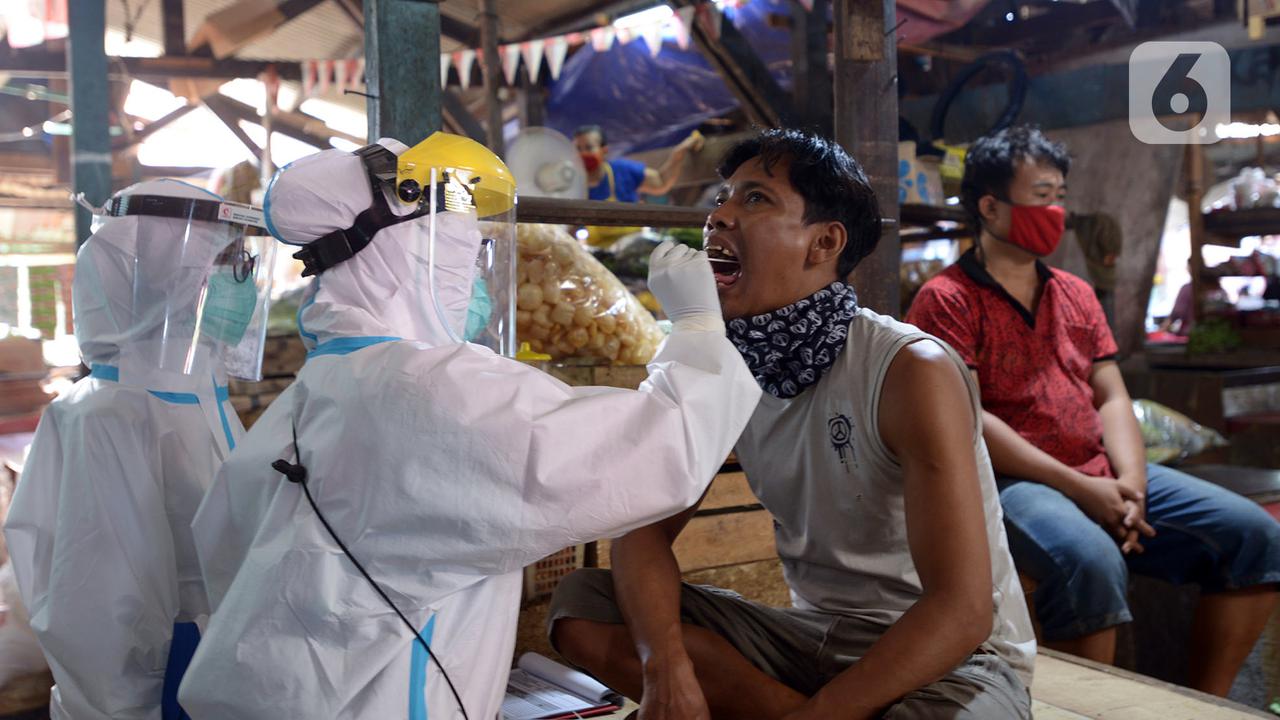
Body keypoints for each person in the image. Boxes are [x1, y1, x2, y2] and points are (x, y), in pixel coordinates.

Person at [175, 133, 761, 720]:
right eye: (464, 243)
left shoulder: (318, 390)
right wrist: (697, 327)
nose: (477, 266)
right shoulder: (434, 392)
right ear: (414, 246)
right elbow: (657, 451)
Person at [550, 128, 1036, 720]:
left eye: (755, 199)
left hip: (951, 655)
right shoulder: (726, 363)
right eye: (722, 199)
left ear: (824, 242)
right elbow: (643, 531)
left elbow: (961, 611)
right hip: (812, 637)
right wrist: (666, 670)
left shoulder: (909, 368)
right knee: (584, 605)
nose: (720, 217)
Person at [906, 125, 1280, 696]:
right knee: (1093, 561)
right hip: (1011, 482)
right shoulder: (947, 299)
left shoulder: (1075, 293)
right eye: (1042, 196)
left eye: (1060, 195)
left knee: (1255, 537)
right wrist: (1084, 491)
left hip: (1098, 469)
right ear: (989, 206)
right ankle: (1089, 711)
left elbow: (1111, 393)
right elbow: (969, 417)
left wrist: (1128, 482)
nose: (1056, 210)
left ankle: (1208, 704)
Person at [4, 179, 276, 720]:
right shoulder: (113, 413)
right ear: (173, 278)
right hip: (160, 693)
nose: (242, 281)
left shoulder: (197, 395)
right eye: (228, 262)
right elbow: (101, 613)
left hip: (211, 672)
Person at [574, 124, 704, 203]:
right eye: (578, 149)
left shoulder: (622, 170)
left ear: (604, 150)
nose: (583, 153)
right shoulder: (571, 182)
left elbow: (661, 181)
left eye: (589, 147)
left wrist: (680, 151)